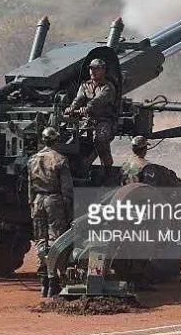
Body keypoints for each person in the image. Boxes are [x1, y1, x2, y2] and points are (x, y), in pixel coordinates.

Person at [27, 127, 74, 298]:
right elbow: (67, 190)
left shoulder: (32, 159)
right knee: (57, 240)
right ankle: (54, 281)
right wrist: (69, 212)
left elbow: (29, 186)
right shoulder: (60, 160)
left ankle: (43, 282)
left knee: (41, 241)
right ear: (56, 140)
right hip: (54, 201)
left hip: (38, 200)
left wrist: (32, 204)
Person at [64, 58, 117, 181]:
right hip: (87, 120)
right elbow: (79, 99)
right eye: (91, 68)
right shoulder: (85, 85)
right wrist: (72, 107)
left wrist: (87, 108)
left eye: (96, 69)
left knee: (100, 140)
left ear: (103, 71)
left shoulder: (108, 87)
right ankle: (79, 166)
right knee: (70, 138)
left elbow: (98, 100)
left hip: (104, 120)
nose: (93, 71)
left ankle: (107, 169)